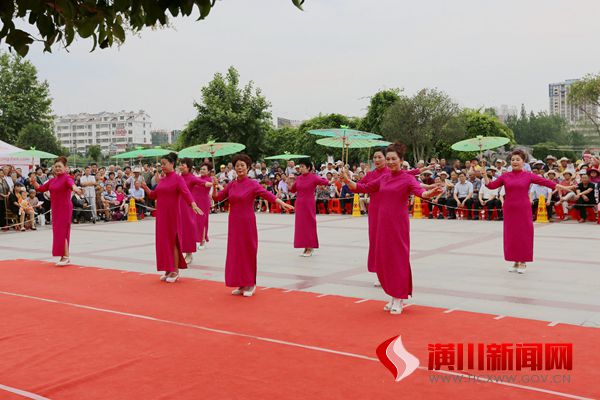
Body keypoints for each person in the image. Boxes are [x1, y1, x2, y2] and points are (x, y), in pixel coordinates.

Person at [341, 142, 442, 315]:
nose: (390, 162)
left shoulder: (407, 179)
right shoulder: (383, 178)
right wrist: (347, 179)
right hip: (382, 225)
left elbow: (419, 192)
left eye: (393, 159)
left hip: (398, 226)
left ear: (401, 160)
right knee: (384, 259)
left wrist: (429, 194)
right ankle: (393, 295)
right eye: (388, 159)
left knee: (398, 259)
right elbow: (363, 188)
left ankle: (399, 298)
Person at [212, 153, 294, 297]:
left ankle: (250, 283)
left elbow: (266, 194)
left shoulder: (252, 184)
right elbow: (217, 198)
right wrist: (214, 186)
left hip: (247, 222)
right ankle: (241, 283)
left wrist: (282, 203)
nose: (240, 168)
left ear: (248, 167)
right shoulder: (231, 184)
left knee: (248, 251)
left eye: (242, 165)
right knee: (236, 252)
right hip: (234, 223)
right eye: (237, 166)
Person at [483, 149, 573, 274]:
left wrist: (565, 187)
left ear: (523, 162)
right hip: (509, 209)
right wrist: (484, 174)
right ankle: (514, 260)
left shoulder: (528, 175)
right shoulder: (505, 176)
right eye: (513, 159)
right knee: (511, 236)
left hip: (523, 209)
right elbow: (491, 186)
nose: (515, 162)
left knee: (524, 235)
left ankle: (523, 261)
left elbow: (547, 183)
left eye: (518, 159)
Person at [142, 153, 203, 283]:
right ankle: (168, 269)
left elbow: (186, 192)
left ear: (172, 164)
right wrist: (145, 187)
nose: (162, 166)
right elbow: (153, 195)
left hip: (173, 215)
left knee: (173, 241)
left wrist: (193, 204)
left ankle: (175, 270)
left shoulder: (178, 179)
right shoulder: (162, 180)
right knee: (163, 242)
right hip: (162, 216)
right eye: (161, 164)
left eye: (164, 164)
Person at [31, 156, 83, 266]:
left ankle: (66, 257)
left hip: (64, 208)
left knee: (62, 231)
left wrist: (76, 189)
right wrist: (34, 182)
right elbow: (40, 189)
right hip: (55, 208)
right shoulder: (52, 180)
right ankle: (63, 256)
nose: (57, 168)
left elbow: (72, 185)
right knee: (57, 232)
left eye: (60, 166)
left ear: (65, 168)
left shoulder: (67, 178)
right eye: (56, 167)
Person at [356, 150, 389, 282]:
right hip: (374, 211)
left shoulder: (390, 173)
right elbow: (359, 186)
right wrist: (346, 179)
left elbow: (407, 175)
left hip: (388, 210)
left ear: (385, 159)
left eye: (379, 157)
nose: (377, 159)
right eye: (375, 157)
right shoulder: (370, 175)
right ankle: (379, 272)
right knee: (376, 240)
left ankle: (388, 271)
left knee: (387, 241)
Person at [289, 161, 329, 257]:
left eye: (302, 166)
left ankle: (310, 247)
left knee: (309, 224)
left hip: (309, 204)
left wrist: (338, 178)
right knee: (301, 226)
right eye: (300, 167)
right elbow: (292, 189)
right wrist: (289, 182)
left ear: (308, 168)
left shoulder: (313, 177)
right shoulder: (298, 178)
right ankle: (305, 246)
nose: (300, 168)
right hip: (299, 204)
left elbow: (325, 182)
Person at [178, 158, 209, 264]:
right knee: (178, 229)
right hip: (177, 206)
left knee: (187, 229)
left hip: (187, 206)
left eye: (183, 165)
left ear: (189, 167)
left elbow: (202, 183)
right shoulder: (178, 177)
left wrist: (211, 183)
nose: (181, 166)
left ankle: (189, 253)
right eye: (180, 164)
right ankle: (179, 252)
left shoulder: (191, 178)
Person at [193, 162, 214, 249]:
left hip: (204, 202)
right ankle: (197, 239)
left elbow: (204, 184)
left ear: (208, 171)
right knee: (196, 221)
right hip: (196, 201)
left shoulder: (209, 179)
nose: (202, 170)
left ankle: (202, 241)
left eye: (204, 169)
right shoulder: (197, 178)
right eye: (201, 169)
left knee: (202, 221)